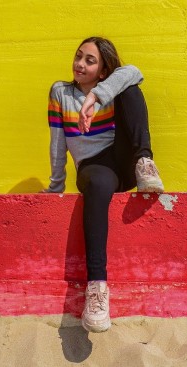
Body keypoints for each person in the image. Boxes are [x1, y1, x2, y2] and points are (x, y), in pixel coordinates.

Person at [44, 36, 164, 333]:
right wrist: (56, 185)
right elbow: (58, 142)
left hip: (122, 161)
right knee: (96, 183)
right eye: (78, 56)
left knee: (130, 88)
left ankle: (144, 162)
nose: (80, 64)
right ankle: (97, 289)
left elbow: (133, 71)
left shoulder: (108, 88)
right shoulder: (60, 92)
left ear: (102, 70)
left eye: (90, 60)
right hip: (96, 168)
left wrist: (96, 96)